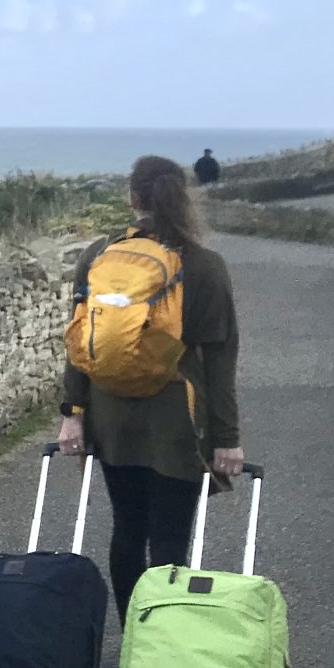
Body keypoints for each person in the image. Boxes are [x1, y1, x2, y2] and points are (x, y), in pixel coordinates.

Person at [57, 155, 244, 623]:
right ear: (183, 198)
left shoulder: (99, 255)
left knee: (127, 531)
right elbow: (220, 360)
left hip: (112, 420)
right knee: (170, 541)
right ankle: (161, 644)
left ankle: (133, 640)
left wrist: (73, 413)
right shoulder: (203, 265)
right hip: (177, 424)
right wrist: (226, 438)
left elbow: (79, 341)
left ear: (132, 198)